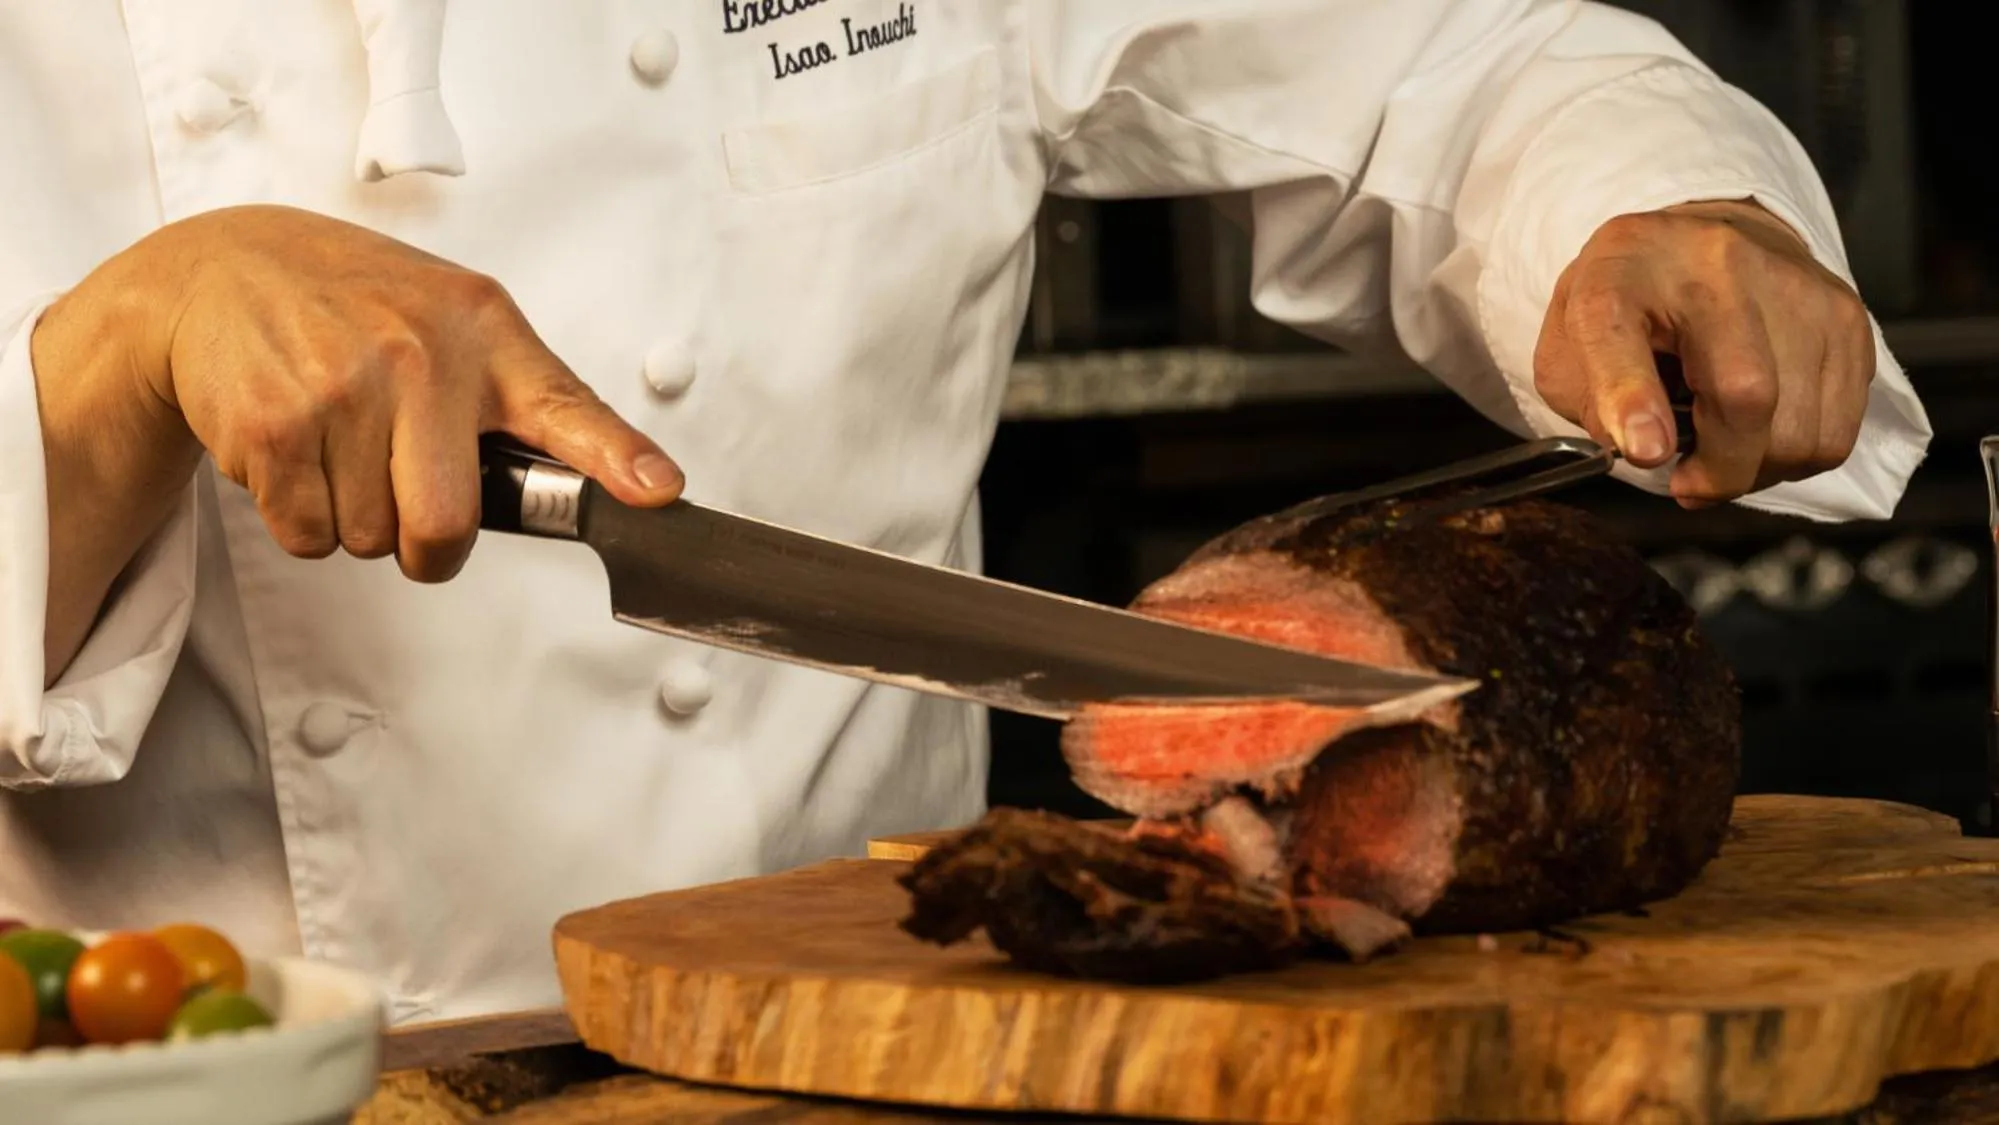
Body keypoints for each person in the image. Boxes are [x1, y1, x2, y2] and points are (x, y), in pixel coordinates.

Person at [0, 0, 1930, 1024]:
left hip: (888, 1067)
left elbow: (1440, 68)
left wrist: (1648, 208)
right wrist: (112, 368)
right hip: (204, 1078)